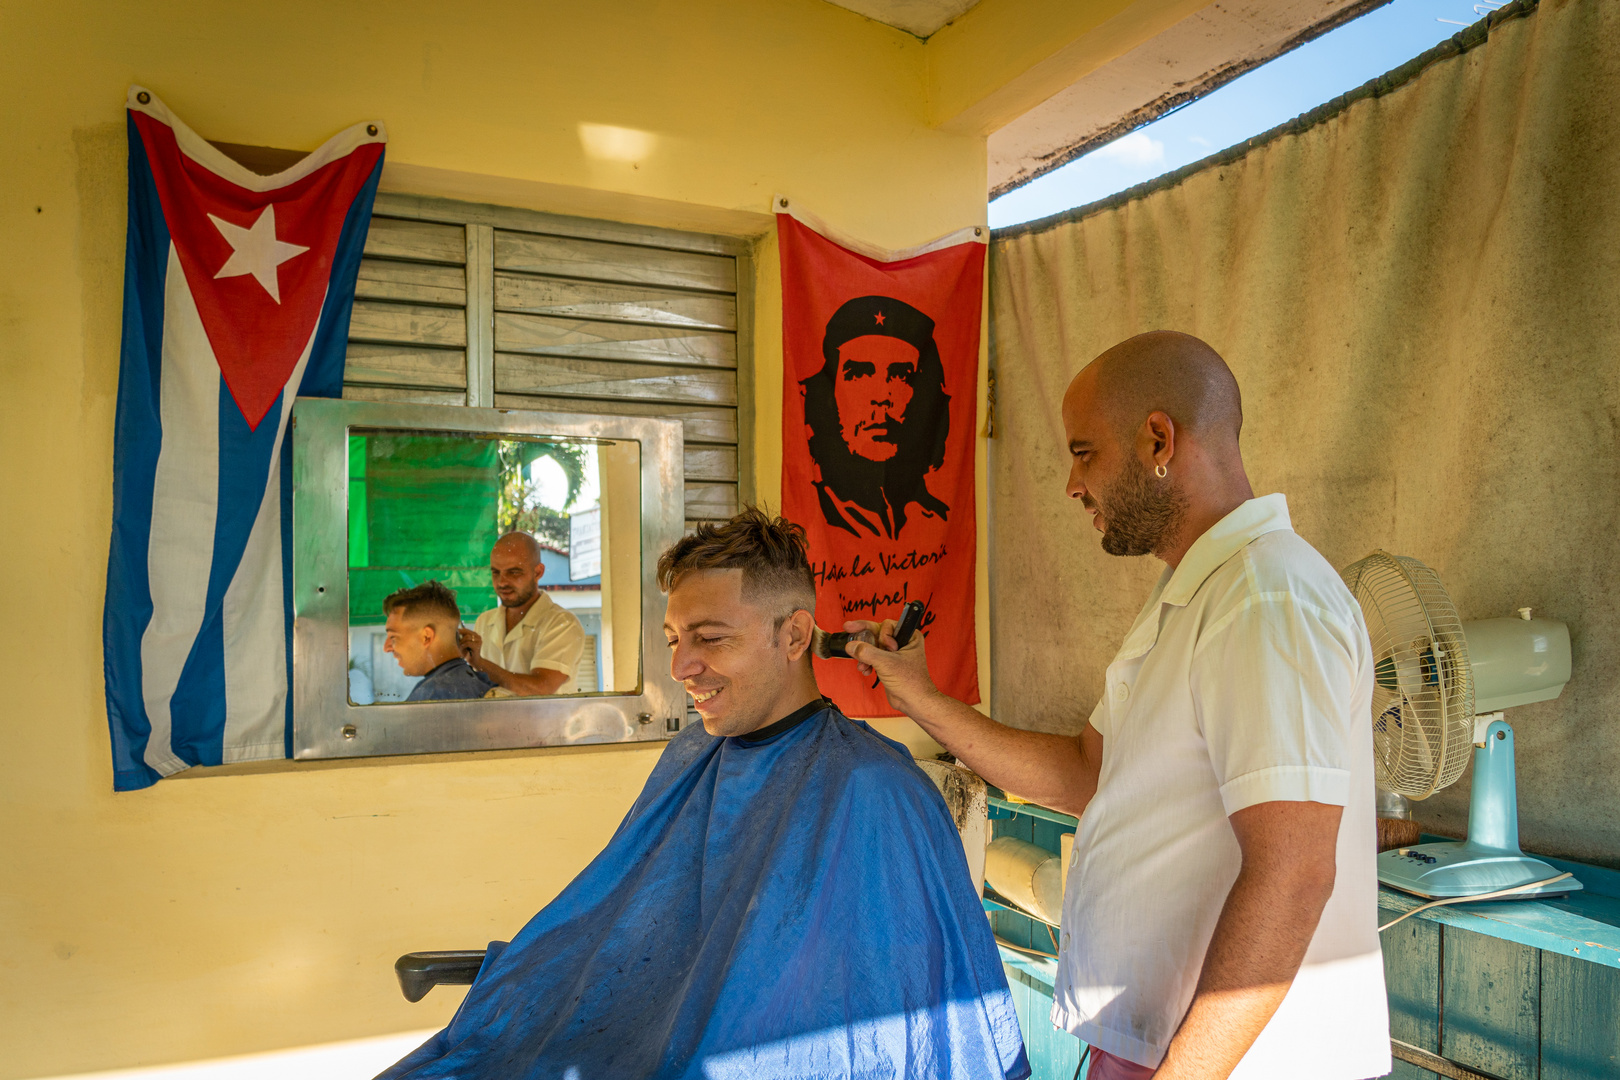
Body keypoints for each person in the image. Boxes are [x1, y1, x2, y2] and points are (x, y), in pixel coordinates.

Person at [847, 332, 1389, 1080]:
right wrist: (919, 694)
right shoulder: (1195, 595)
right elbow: (1084, 770)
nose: (1072, 486)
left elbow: (1293, 873)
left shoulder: (1267, 600)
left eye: (1083, 453)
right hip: (1166, 1046)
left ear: (1158, 438)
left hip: (1242, 1062)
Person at [377, 509, 1029, 1080]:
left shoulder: (876, 792)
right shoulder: (692, 753)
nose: (680, 667)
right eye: (673, 641)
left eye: (710, 639)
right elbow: (621, 921)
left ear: (795, 636)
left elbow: (901, 1038)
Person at [801, 295, 951, 539]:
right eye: (859, 373)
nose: (882, 396)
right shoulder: (810, 520)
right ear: (829, 392)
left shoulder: (938, 519)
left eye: (901, 375)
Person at [459, 531, 586, 696]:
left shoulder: (562, 624)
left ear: (538, 572)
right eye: (496, 572)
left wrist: (480, 664)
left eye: (514, 572)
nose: (502, 582)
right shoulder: (485, 621)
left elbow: (541, 688)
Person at [382, 582, 496, 703]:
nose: (386, 648)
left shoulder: (435, 695)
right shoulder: (480, 681)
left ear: (426, 637)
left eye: (393, 637)